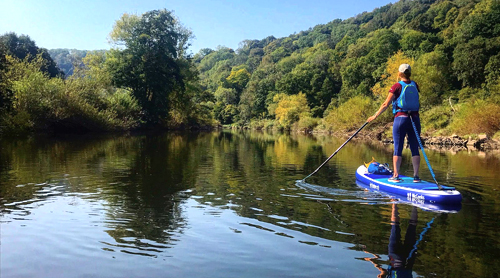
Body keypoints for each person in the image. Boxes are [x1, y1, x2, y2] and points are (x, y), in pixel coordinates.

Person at [367, 64, 421, 183]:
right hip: (415, 119)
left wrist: (375, 116)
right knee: (414, 147)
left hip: (401, 118)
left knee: (398, 147)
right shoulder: (415, 84)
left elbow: (385, 104)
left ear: (399, 73)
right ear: (410, 73)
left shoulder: (396, 86)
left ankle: (396, 176)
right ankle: (416, 176)